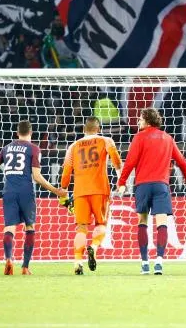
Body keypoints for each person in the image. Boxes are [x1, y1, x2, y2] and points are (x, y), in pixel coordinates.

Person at [117, 108, 186, 275]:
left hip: (143, 185)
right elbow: (180, 160)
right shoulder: (168, 138)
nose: (138, 121)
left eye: (141, 119)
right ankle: (159, 261)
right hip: (161, 186)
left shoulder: (139, 137)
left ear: (148, 120)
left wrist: (121, 181)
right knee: (162, 223)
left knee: (142, 222)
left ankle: (144, 263)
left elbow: (130, 162)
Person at [0, 120, 65, 275]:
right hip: (26, 192)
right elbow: (37, 177)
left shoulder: (7, 148)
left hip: (8, 191)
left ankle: (9, 259)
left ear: (17, 133)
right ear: (31, 132)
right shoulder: (34, 148)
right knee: (30, 227)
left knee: (9, 228)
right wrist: (56, 190)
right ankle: (25, 267)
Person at [60, 117, 122, 275]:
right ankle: (93, 247)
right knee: (101, 223)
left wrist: (63, 191)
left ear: (83, 130)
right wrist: (120, 177)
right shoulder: (106, 140)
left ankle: (77, 262)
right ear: (98, 128)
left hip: (80, 192)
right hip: (100, 189)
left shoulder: (73, 146)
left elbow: (66, 172)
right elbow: (115, 159)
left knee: (81, 228)